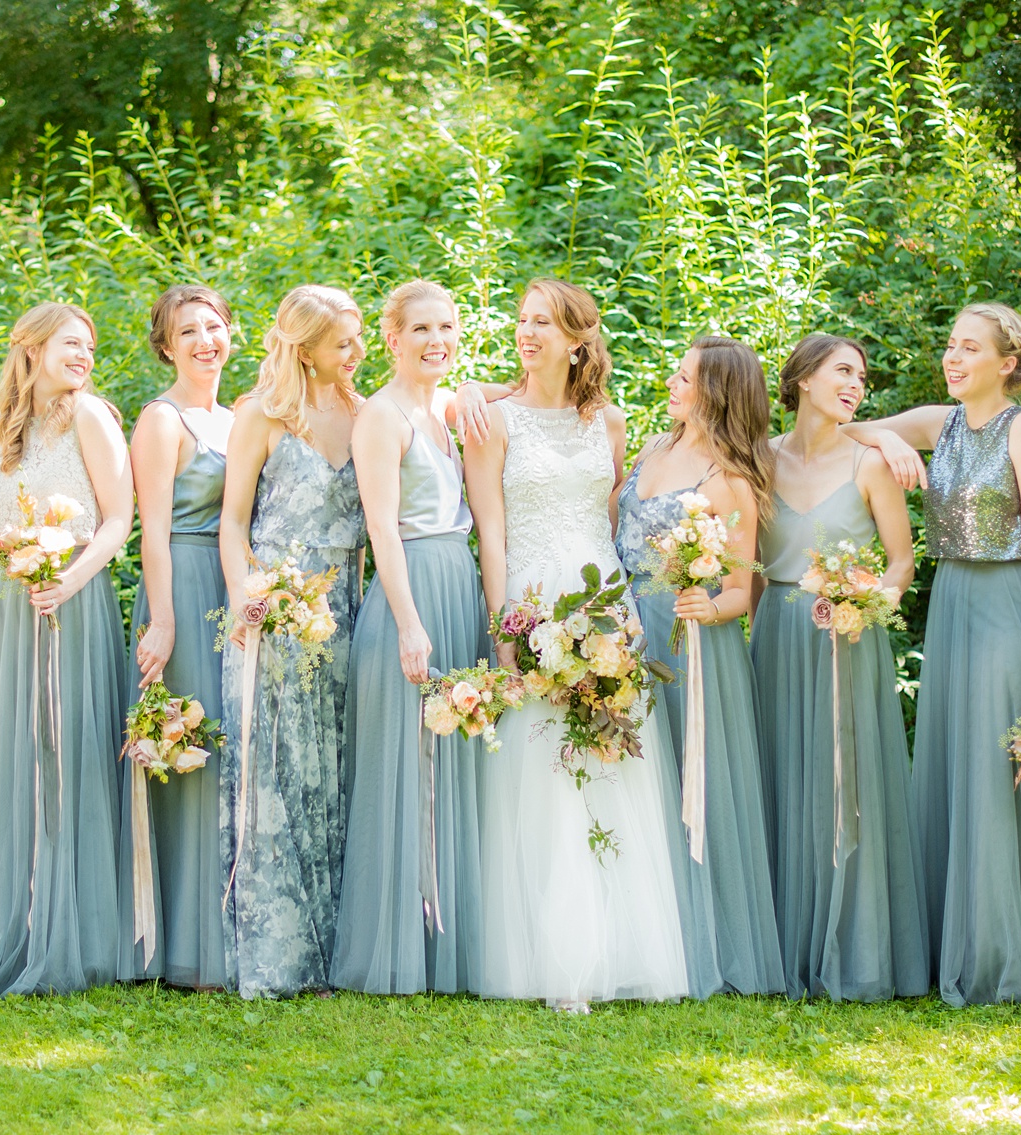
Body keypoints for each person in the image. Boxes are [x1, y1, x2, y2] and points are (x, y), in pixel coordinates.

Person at [846, 305, 1021, 1006]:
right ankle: (947, 940)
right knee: (952, 762)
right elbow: (850, 428)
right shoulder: (939, 423)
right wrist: (890, 444)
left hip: (1008, 601)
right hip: (950, 601)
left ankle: (1002, 950)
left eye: (970, 348)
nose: (953, 358)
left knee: (995, 767)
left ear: (1007, 363)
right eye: (950, 345)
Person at [465, 278, 689, 1012]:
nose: (527, 332)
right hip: (530, 600)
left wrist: (622, 622)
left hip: (603, 602)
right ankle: (550, 958)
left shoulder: (610, 422)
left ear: (577, 339)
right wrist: (506, 628)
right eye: (521, 319)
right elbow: (490, 529)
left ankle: (617, 947)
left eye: (544, 323)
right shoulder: (493, 419)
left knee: (606, 758)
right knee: (542, 770)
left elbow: (610, 516)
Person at [0, 302, 132, 997]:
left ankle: (69, 925)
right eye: (72, 342)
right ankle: (15, 917)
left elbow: (120, 518)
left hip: (73, 600)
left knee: (66, 753)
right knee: (17, 753)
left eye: (89, 345)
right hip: (12, 605)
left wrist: (66, 576)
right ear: (30, 348)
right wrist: (15, 555)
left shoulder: (91, 417)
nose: (84, 354)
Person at [752, 333, 929, 1001]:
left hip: (847, 635)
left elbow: (901, 560)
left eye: (862, 375)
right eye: (843, 370)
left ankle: (855, 947)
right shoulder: (759, 460)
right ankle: (781, 945)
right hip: (775, 634)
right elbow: (752, 563)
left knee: (844, 783)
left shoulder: (870, 462)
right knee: (783, 774)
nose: (856, 384)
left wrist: (865, 606)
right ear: (801, 379)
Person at [330, 280, 492, 995]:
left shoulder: (442, 410)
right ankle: (396, 946)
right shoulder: (382, 417)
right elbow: (381, 526)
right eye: (420, 329)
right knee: (403, 768)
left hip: (455, 581)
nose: (436, 340)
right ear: (391, 340)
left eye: (447, 327)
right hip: (413, 593)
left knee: (448, 765)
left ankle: (445, 934)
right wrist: (409, 621)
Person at [613, 335, 783, 998]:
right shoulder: (655, 448)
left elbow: (742, 589)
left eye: (685, 378)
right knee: (636, 779)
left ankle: (703, 940)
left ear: (717, 392)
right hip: (623, 622)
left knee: (691, 783)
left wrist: (704, 609)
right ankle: (641, 933)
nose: (672, 385)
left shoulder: (729, 479)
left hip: (688, 640)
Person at [218, 284, 369, 997]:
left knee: (335, 770)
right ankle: (278, 953)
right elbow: (232, 523)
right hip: (274, 610)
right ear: (305, 349)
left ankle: (339, 944)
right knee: (276, 773)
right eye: (343, 342)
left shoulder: (363, 413)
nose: (356, 352)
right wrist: (252, 598)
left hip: (346, 606)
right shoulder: (262, 415)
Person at [119, 285, 235, 989]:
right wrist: (161, 619)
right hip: (181, 591)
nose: (203, 341)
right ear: (166, 345)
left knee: (225, 752)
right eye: (186, 330)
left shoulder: (234, 415)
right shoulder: (162, 421)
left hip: (229, 592)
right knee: (187, 749)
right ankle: (179, 944)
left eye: (213, 326)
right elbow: (151, 531)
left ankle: (224, 927)